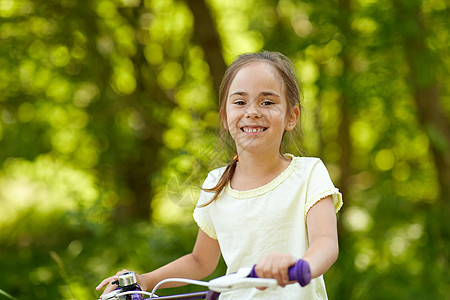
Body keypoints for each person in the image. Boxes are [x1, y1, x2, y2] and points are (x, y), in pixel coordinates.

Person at [96, 51, 343, 299]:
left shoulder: (309, 173)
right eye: (239, 102)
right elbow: (200, 261)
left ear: (291, 117)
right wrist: (146, 279)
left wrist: (300, 266)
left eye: (267, 102)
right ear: (225, 117)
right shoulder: (216, 183)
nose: (253, 111)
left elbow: (326, 243)